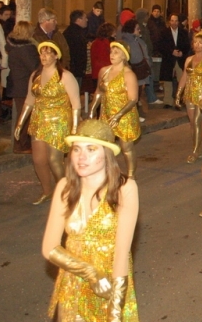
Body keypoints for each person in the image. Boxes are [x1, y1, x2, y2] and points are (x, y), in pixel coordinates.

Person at [42, 119, 139, 322]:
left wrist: (115, 309)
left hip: (111, 284)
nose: (81, 157)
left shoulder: (125, 189)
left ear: (107, 154)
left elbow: (122, 253)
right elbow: (49, 248)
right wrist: (90, 273)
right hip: (73, 282)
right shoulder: (64, 187)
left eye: (91, 149)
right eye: (77, 149)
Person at [14, 42, 81, 205]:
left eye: (48, 53)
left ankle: (67, 193)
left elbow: (76, 104)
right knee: (39, 160)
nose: (44, 56)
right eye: (41, 53)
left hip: (59, 121)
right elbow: (30, 100)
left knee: (54, 160)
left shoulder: (65, 76)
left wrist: (74, 128)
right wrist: (20, 123)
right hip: (39, 120)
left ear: (56, 56)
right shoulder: (35, 75)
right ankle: (47, 191)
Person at [89, 41, 140, 179]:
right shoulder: (104, 71)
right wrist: (92, 109)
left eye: (116, 52)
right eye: (111, 52)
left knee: (126, 147)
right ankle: (108, 173)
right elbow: (99, 91)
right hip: (106, 113)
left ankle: (131, 175)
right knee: (105, 146)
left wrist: (118, 116)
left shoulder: (128, 74)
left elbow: (133, 99)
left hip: (124, 116)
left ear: (124, 56)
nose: (112, 55)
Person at [176, 32, 202, 163]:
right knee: (193, 123)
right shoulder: (189, 59)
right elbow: (184, 77)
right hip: (190, 94)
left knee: (197, 121)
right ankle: (197, 146)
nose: (197, 45)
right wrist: (178, 93)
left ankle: (195, 151)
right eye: (195, 42)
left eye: (201, 43)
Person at [6, 21, 40, 154]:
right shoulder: (26, 48)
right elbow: (34, 67)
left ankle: (21, 143)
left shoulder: (12, 47)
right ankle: (20, 144)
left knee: (22, 115)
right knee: (24, 117)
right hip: (25, 86)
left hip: (17, 84)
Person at [158, 13, 190, 105]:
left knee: (182, 80)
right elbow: (160, 46)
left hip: (180, 60)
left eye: (176, 21)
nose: (174, 23)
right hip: (168, 60)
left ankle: (181, 99)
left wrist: (182, 53)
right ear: (169, 22)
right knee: (167, 81)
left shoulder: (183, 32)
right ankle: (168, 101)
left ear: (178, 22)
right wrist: (171, 51)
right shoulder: (164, 32)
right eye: (172, 21)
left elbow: (187, 45)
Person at [62, 10, 89, 84]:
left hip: (73, 69)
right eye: (85, 18)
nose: (87, 20)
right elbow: (78, 53)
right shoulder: (76, 34)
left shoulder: (70, 31)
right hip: (75, 70)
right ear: (78, 20)